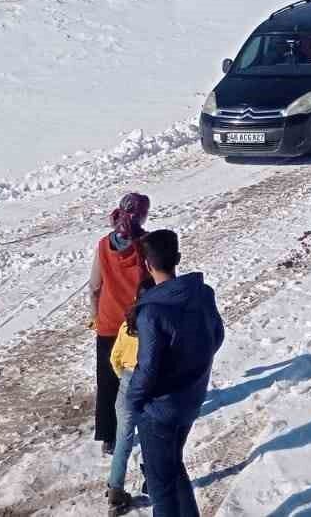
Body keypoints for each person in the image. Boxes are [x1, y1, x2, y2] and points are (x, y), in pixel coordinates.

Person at [129, 229, 225, 517]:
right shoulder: (203, 293)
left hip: (160, 410)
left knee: (162, 490)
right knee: (173, 465)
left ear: (147, 265)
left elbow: (147, 369)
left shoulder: (151, 312)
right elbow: (216, 336)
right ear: (178, 258)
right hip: (191, 398)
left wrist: (133, 402)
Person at [88, 192, 150, 453]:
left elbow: (94, 287)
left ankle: (108, 438)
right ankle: (142, 422)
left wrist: (95, 316)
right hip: (138, 326)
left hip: (108, 325)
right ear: (143, 215)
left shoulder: (103, 244)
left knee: (107, 382)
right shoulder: (147, 244)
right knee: (142, 376)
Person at [104, 272, 154, 515]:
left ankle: (115, 488)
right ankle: (152, 481)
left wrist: (123, 376)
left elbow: (114, 357)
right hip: (148, 383)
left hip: (126, 380)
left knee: (123, 438)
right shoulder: (154, 326)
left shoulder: (127, 325)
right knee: (149, 436)